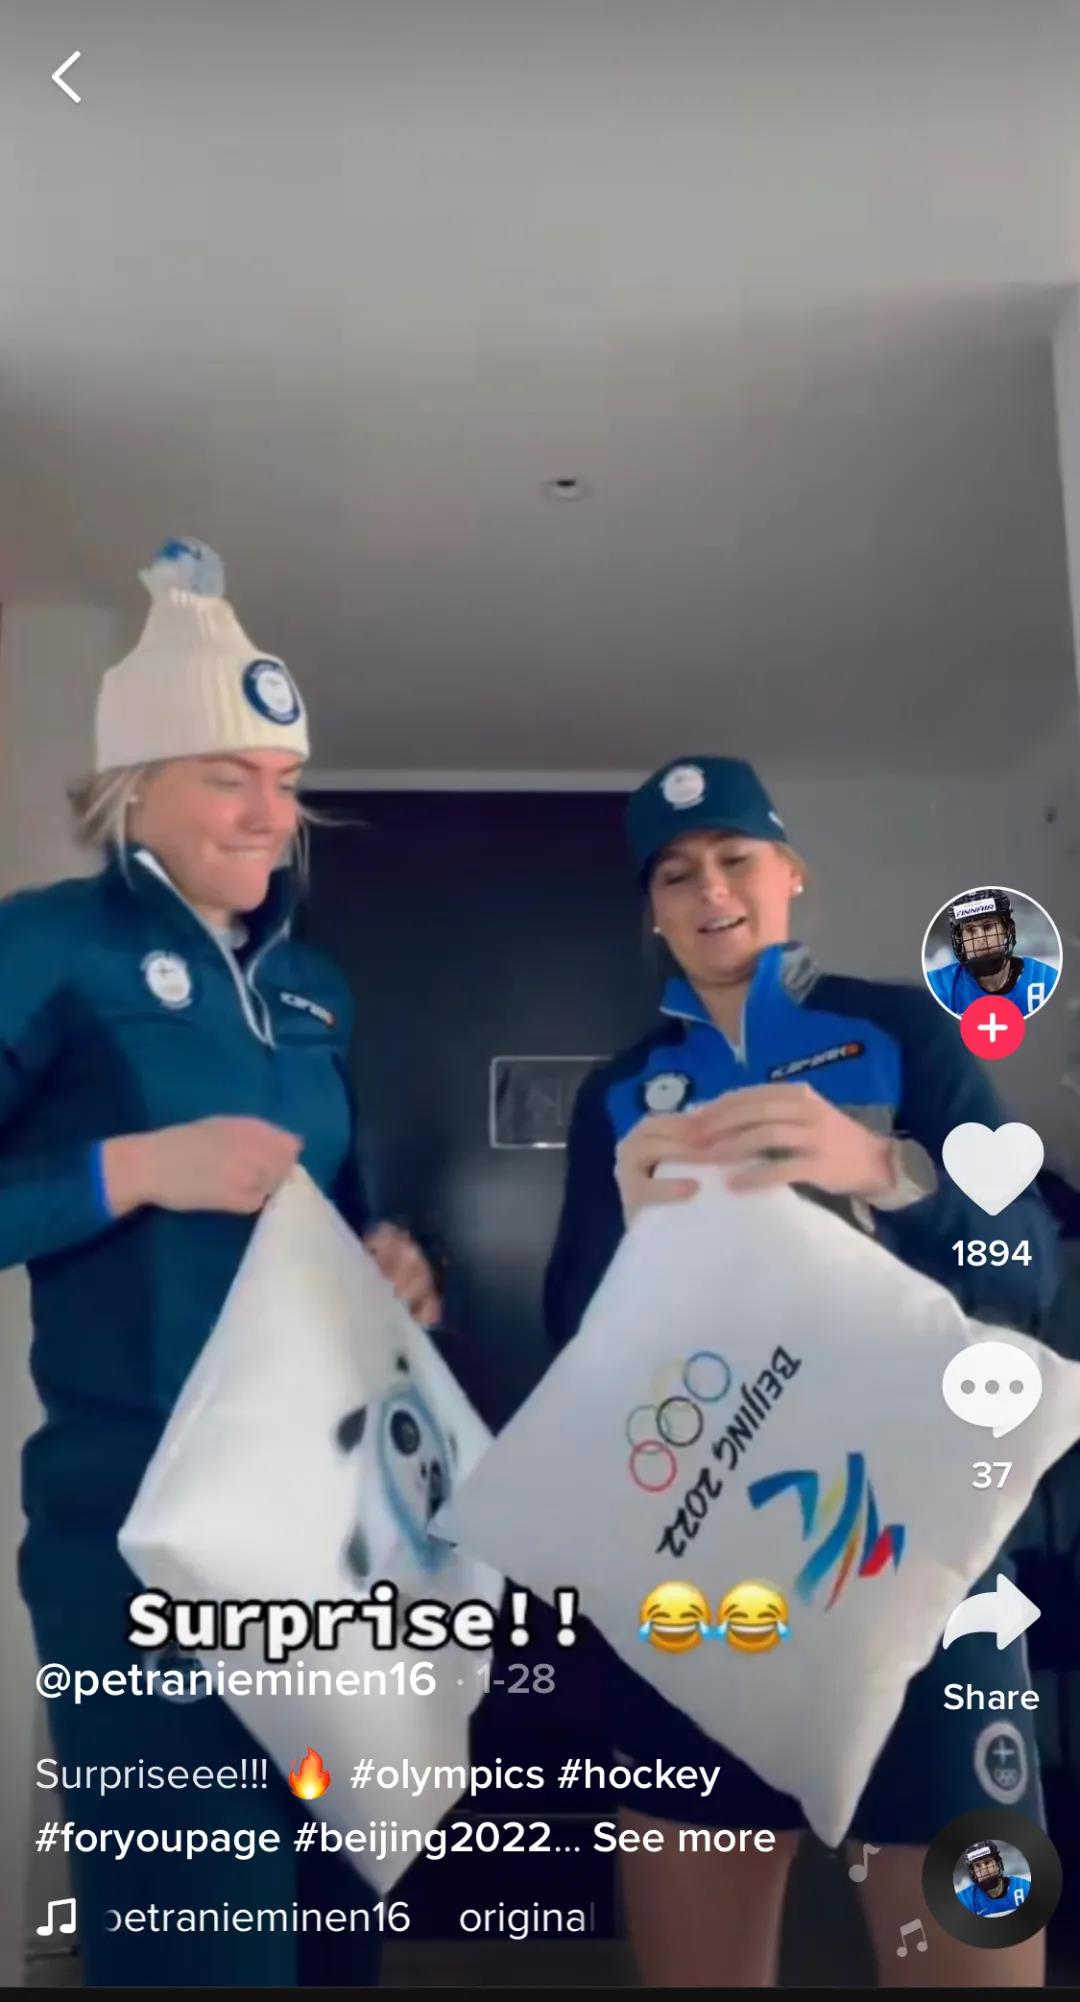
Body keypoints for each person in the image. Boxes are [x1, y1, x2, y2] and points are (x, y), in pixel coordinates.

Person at [2, 540, 441, 1988]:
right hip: (140, 1534)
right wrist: (132, 1168)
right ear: (131, 786)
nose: (273, 813)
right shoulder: (46, 949)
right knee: (203, 1941)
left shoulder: (316, 985)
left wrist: (387, 1254)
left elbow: (339, 1204)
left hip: (326, 1533)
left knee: (333, 1929)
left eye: (286, 777)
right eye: (227, 776)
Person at [544, 756, 1059, 1990]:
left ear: (791, 874)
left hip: (921, 1559)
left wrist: (881, 1169)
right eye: (677, 874)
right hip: (702, 1567)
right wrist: (632, 1237)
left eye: (736, 858)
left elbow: (1029, 1264)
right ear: (652, 910)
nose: (711, 890)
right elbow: (571, 1341)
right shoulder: (619, 1091)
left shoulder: (904, 1033)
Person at [927, 888, 1059, 1017]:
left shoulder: (1046, 981)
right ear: (959, 939)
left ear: (1007, 930)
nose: (980, 939)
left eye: (988, 927)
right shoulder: (938, 988)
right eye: (970, 930)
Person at [955, 1840, 1031, 1917]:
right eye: (978, 1866)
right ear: (973, 1873)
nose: (984, 1870)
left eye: (987, 1862)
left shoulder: (1024, 1888)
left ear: (998, 1864)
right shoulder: (966, 1900)